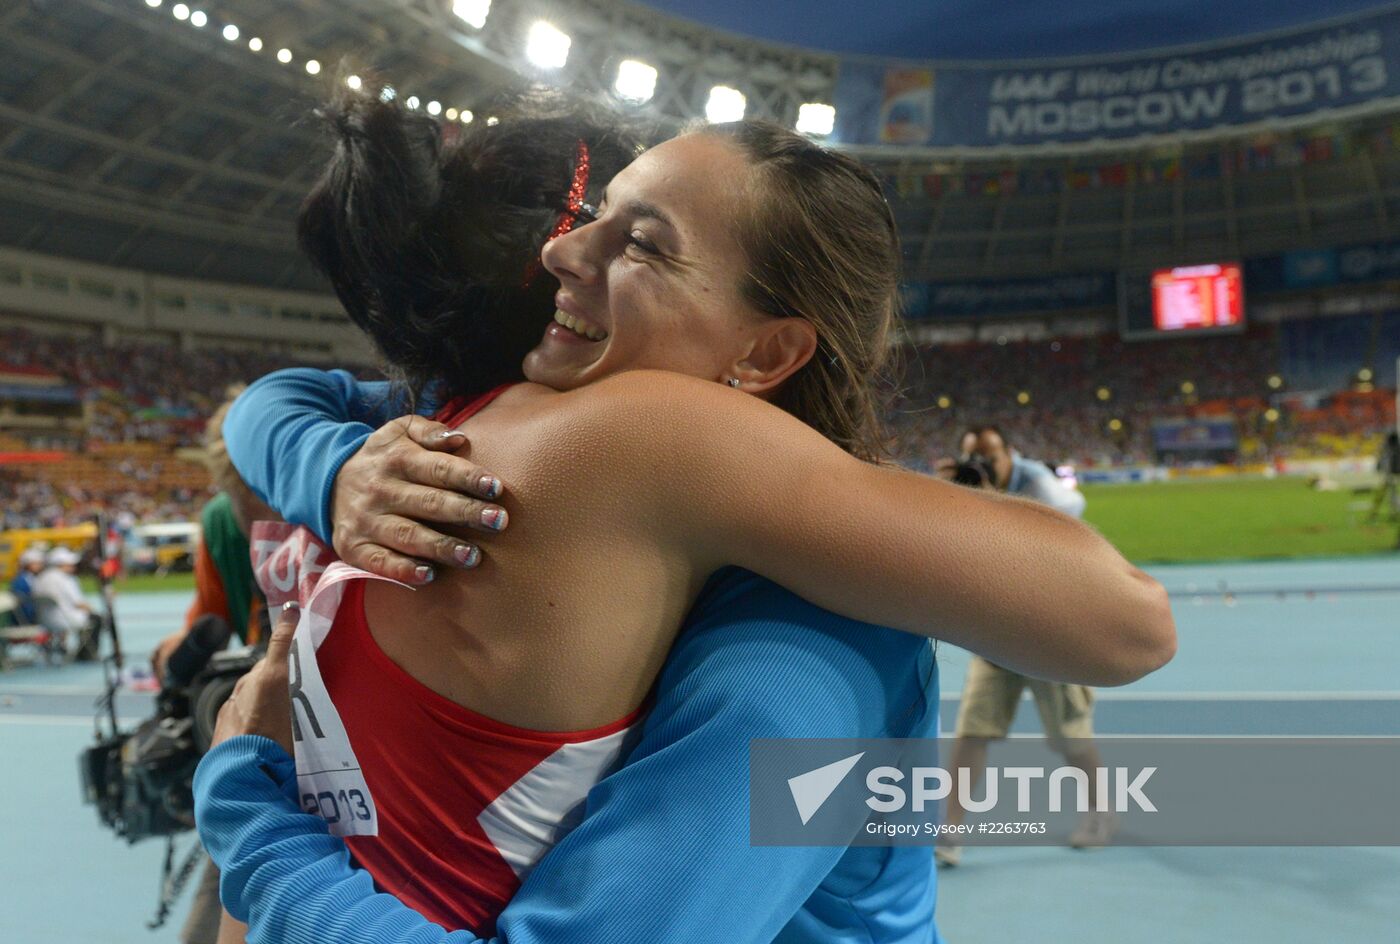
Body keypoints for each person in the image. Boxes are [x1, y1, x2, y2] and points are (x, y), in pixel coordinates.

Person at [195, 94, 1174, 944]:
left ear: (759, 357)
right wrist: (334, 471)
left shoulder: (800, 653)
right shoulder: (511, 423)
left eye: (644, 244)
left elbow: (1124, 620)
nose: (559, 248)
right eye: (597, 212)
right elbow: (280, 400)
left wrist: (247, 803)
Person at [937, 426, 1111, 867]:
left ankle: (1098, 815)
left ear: (1011, 453)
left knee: (1071, 737)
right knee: (973, 731)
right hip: (996, 632)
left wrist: (995, 501)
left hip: (1051, 632)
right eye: (975, 458)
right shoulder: (963, 491)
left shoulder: (1038, 483)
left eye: (991, 457)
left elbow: (1058, 537)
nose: (983, 467)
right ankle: (949, 831)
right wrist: (935, 497)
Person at [147, 387, 277, 944]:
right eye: (246, 510)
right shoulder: (223, 522)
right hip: (263, 734)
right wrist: (173, 657)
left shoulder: (344, 506)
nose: (262, 531)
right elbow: (207, 623)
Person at [31, 546, 99, 662]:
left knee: (87, 619)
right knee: (97, 619)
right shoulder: (65, 579)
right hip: (65, 619)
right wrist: (92, 610)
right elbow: (78, 603)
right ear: (61, 564)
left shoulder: (42, 577)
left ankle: (81, 652)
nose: (73, 566)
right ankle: (86, 654)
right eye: (70, 564)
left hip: (44, 620)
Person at [8, 547, 45, 625]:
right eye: (35, 563)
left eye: (40, 563)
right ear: (26, 564)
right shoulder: (20, 581)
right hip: (26, 620)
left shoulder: (33, 578)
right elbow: (22, 603)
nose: (39, 566)